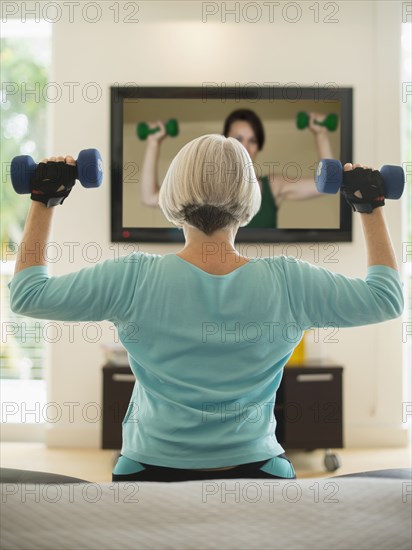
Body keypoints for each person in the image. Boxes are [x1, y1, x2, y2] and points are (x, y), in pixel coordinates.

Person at [9, 135, 403, 483]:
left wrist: (45, 199)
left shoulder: (131, 277)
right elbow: (386, 299)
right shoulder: (289, 281)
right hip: (258, 470)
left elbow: (27, 294)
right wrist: (370, 206)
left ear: (173, 194)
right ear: (249, 198)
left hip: (147, 472)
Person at [140, 109, 333, 228]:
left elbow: (328, 183)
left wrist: (321, 135)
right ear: (225, 141)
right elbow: (150, 197)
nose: (245, 148)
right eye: (238, 139)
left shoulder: (273, 186)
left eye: (253, 141)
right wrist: (153, 143)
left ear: (259, 147)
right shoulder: (205, 184)